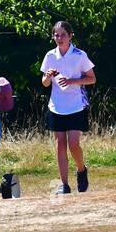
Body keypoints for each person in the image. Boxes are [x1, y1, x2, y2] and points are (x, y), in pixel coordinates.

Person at [40, 20, 96, 193]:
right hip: (56, 106)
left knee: (73, 144)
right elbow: (45, 83)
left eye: (63, 34)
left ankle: (81, 170)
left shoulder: (79, 55)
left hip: (76, 106)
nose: (59, 38)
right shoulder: (50, 56)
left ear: (70, 36)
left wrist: (73, 81)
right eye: (56, 34)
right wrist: (48, 77)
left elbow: (92, 78)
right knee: (60, 144)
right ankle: (64, 184)